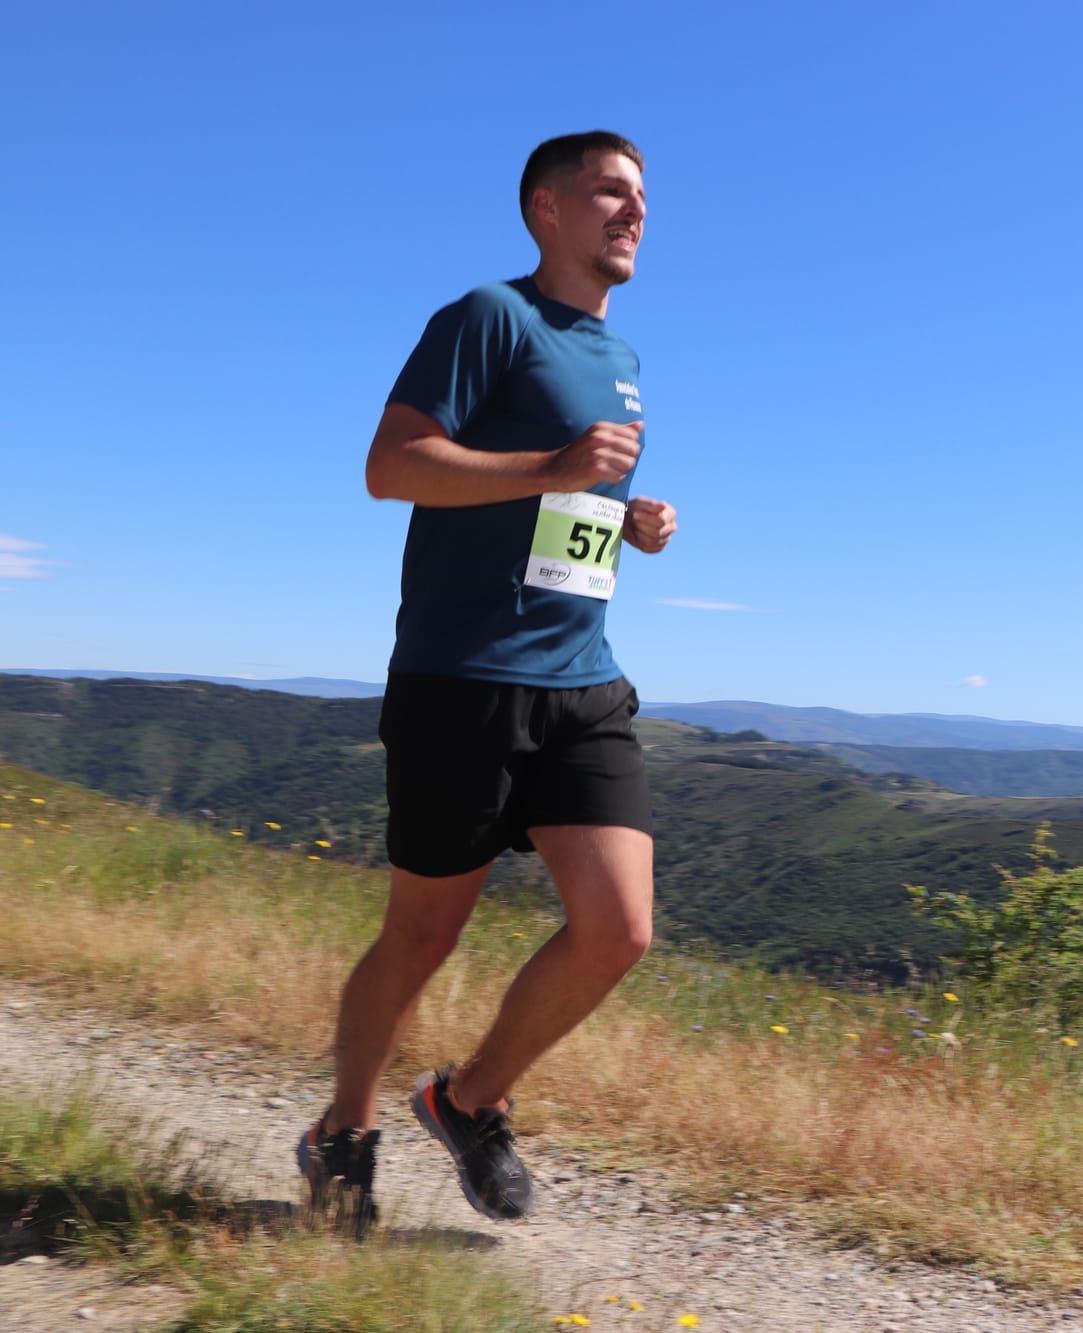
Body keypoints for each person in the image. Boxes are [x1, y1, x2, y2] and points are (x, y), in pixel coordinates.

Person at [297, 131, 675, 1232]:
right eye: (610, 191)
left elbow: (560, 516)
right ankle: (343, 1132)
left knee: (618, 930)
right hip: (461, 679)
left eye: (641, 197)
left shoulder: (624, 358)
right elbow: (392, 466)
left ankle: (466, 1100)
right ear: (545, 209)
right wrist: (557, 469)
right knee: (421, 934)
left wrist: (627, 522)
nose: (633, 211)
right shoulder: (486, 317)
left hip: (581, 677)